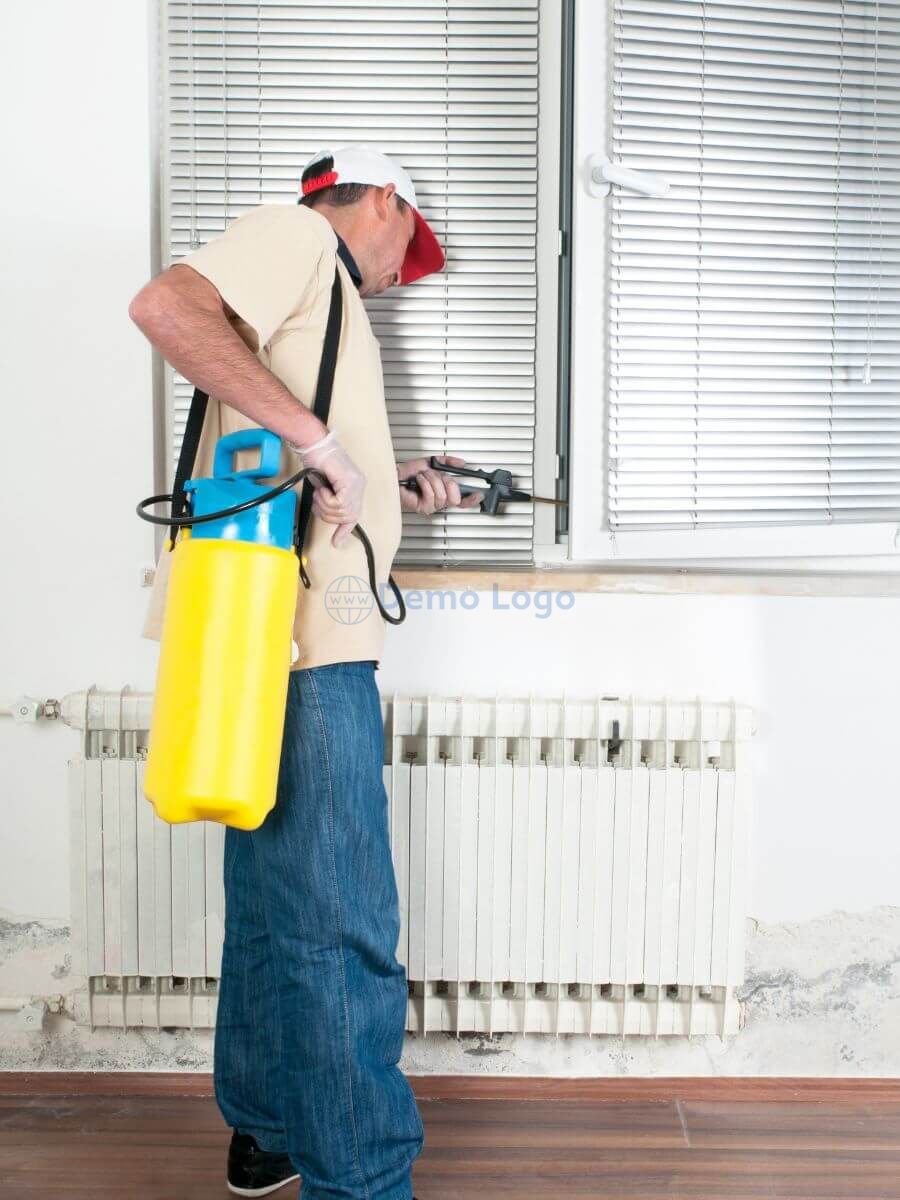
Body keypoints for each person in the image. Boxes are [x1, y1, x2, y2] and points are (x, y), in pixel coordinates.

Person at [128, 144, 481, 1200]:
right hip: (302, 635)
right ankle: (361, 1179)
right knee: (339, 917)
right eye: (405, 247)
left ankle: (270, 1129)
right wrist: (323, 444)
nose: (397, 276)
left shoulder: (318, 297)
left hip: (250, 626)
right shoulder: (296, 236)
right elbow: (164, 307)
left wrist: (383, 478)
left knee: (276, 903)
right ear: (383, 201)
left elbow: (288, 449)